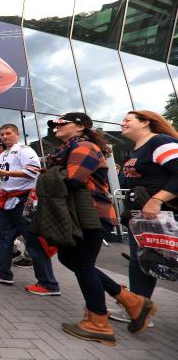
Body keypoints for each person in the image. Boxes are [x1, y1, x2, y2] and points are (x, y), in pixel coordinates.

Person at [38, 112, 157, 344]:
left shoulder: (85, 147)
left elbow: (72, 180)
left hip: (90, 214)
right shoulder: (67, 150)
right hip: (78, 215)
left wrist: (47, 176)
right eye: (53, 125)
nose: (55, 128)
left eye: (61, 124)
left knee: (82, 265)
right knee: (71, 260)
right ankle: (132, 302)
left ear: (81, 127)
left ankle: (98, 322)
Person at [109, 110, 175, 327]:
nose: (122, 123)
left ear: (146, 122)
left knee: (164, 262)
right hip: (143, 219)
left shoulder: (159, 142)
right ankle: (137, 308)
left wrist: (156, 200)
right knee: (142, 261)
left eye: (128, 120)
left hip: (166, 217)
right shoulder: (137, 149)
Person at [0, 124, 61, 296]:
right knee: (2, 236)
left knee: (33, 242)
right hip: (7, 202)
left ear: (17, 134)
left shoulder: (25, 150)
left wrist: (5, 174)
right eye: (2, 134)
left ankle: (48, 283)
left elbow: (34, 171)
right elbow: (5, 177)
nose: (4, 136)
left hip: (24, 201)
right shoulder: (2, 154)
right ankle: (3, 273)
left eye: (8, 133)